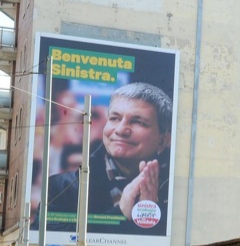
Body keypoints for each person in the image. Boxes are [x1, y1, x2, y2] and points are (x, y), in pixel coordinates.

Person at [36, 82, 172, 233]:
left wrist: (149, 215)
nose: (120, 130)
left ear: (163, 140)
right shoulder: (60, 189)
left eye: (138, 122)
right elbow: (44, 239)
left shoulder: (177, 194)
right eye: (114, 118)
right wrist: (121, 214)